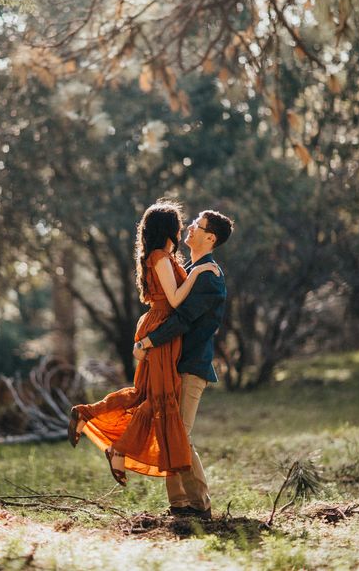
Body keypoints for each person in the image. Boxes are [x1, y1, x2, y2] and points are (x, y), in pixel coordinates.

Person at [67, 201, 220, 486]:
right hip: (161, 330)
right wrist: (197, 272)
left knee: (143, 395)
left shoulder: (164, 257)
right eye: (178, 224)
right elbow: (175, 301)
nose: (183, 228)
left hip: (160, 329)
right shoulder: (161, 257)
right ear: (167, 229)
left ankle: (88, 416)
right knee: (156, 399)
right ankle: (117, 448)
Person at [133, 209, 234, 520]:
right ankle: (179, 505)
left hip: (191, 366)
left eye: (197, 225)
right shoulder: (194, 269)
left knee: (179, 434)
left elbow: (183, 319)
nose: (190, 227)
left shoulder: (209, 276)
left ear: (210, 237)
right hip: (174, 362)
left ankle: (199, 505)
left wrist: (148, 342)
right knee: (168, 430)